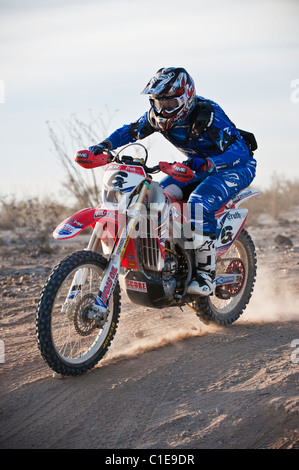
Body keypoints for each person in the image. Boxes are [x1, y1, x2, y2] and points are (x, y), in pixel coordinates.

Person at [89, 67, 257, 296]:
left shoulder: (208, 115)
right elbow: (130, 131)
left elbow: (240, 151)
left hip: (234, 167)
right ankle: (175, 255)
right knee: (159, 195)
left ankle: (206, 274)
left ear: (186, 97)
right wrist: (105, 145)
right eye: (158, 102)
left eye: (169, 103)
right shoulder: (156, 117)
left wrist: (210, 163)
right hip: (197, 165)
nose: (163, 109)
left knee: (198, 203)